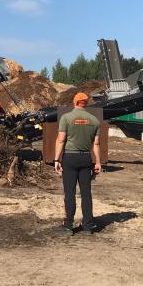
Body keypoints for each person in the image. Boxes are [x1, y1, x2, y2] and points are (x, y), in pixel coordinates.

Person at [53, 92, 102, 235]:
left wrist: (56, 159)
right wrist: (98, 162)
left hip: (70, 158)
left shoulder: (66, 118)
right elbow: (97, 144)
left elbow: (61, 140)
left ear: (75, 102)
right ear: (86, 103)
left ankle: (68, 226)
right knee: (86, 193)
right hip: (86, 159)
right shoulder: (94, 120)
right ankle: (88, 225)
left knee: (70, 193)